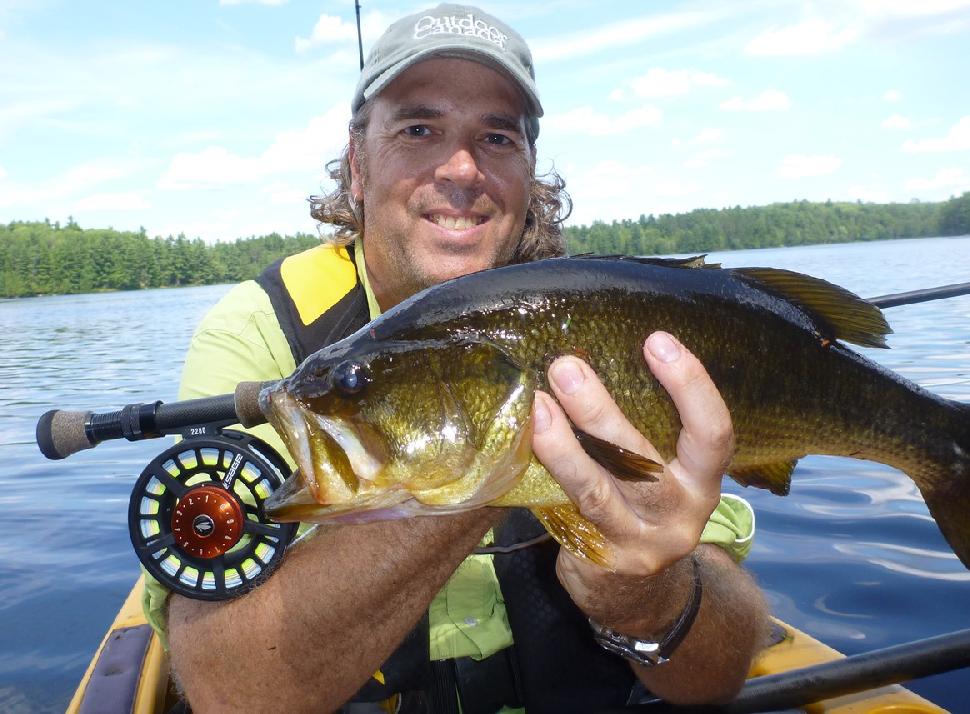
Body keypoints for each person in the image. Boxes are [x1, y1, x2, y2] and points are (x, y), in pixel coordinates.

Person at [147, 4, 769, 711]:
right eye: (419, 129)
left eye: (497, 137)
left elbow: (718, 676)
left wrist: (655, 597)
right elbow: (232, 694)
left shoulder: (612, 327)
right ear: (357, 166)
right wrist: (483, 453)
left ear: (529, 176)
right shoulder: (261, 335)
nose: (462, 168)